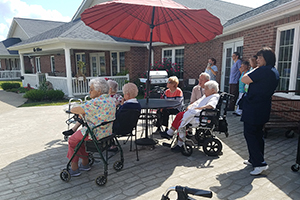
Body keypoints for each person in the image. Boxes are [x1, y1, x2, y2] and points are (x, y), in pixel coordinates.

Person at [241, 47, 279, 176]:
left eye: (260, 57)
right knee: (258, 135)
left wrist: (254, 68)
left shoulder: (263, 70)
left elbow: (244, 79)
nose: (257, 60)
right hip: (262, 107)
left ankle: (260, 164)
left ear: (266, 59)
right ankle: (255, 159)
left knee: (250, 134)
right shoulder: (274, 71)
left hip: (254, 108)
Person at [66, 78, 115, 177]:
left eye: (91, 89)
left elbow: (75, 109)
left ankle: (74, 168)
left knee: (72, 140)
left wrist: (74, 107)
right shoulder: (110, 100)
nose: (89, 92)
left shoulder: (96, 102)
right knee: (81, 141)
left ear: (99, 90)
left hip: (94, 132)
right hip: (106, 132)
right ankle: (85, 163)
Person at [160, 80, 220, 152]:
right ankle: (170, 133)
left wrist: (198, 108)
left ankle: (180, 144)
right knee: (179, 115)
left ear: (213, 90)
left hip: (200, 117)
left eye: (206, 89)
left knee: (181, 123)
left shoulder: (214, 97)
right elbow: (197, 102)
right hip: (195, 113)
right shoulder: (206, 95)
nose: (204, 90)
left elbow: (211, 105)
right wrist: (190, 106)